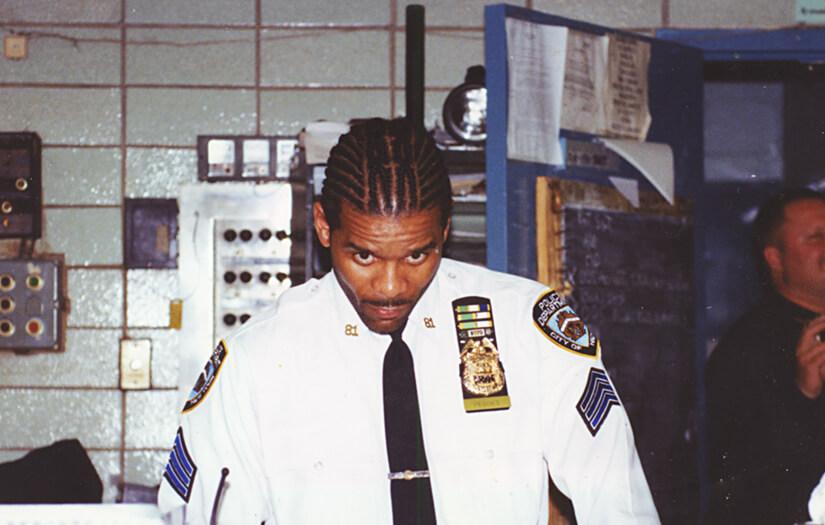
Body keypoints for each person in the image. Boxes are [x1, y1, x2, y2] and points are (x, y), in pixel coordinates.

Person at [157, 117, 659, 524]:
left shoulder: (525, 328)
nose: (391, 286)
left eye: (419, 255)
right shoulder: (257, 362)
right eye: (365, 257)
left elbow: (618, 501)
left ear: (445, 229)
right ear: (324, 226)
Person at [705, 188, 825, 524]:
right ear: (775, 258)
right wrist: (802, 395)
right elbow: (741, 473)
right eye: (816, 237)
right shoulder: (749, 346)